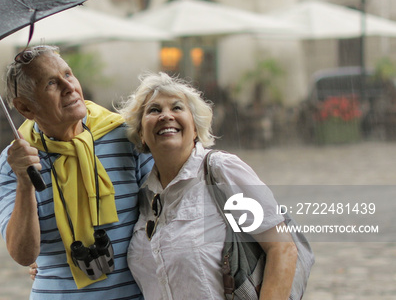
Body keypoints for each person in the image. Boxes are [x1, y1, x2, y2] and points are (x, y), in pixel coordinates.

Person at [116, 72, 298, 300]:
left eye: (177, 108)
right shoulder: (145, 197)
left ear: (195, 127)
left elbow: (283, 249)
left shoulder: (221, 170)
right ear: (141, 133)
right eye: (154, 110)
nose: (166, 116)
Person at [0, 45, 154, 299]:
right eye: (51, 84)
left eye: (68, 74)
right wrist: (25, 182)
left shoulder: (126, 137)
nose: (69, 87)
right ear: (25, 108)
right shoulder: (14, 162)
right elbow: (24, 255)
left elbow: (168, 214)